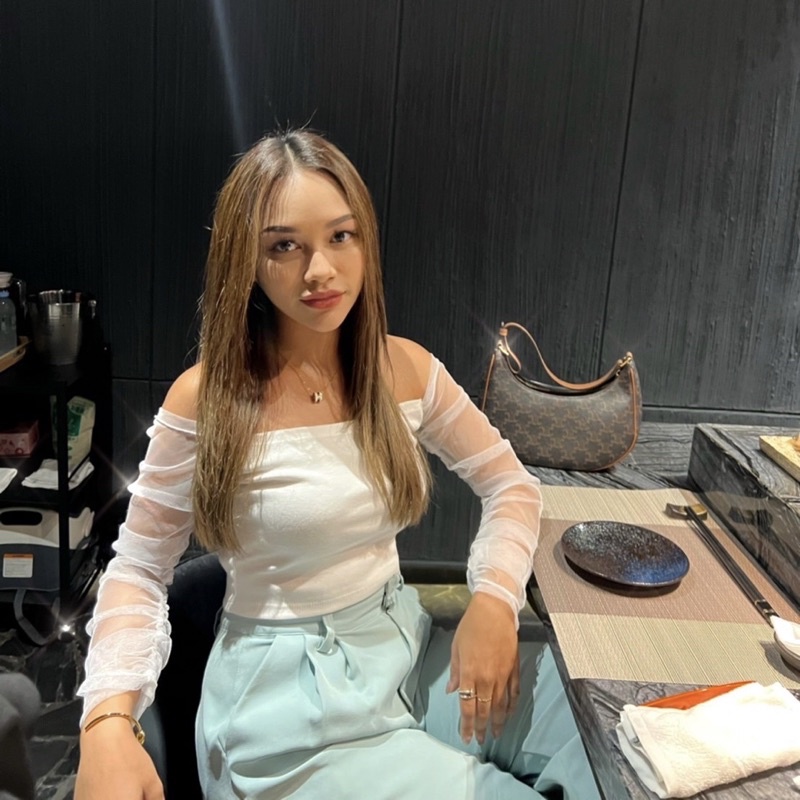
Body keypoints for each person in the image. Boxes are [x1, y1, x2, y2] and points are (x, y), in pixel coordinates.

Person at [74, 130, 599, 800]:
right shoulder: (207, 398)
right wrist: (106, 722)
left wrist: (494, 601)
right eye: (284, 246)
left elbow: (511, 486)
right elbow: (139, 569)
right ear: (247, 260)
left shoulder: (405, 369)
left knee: (605, 740)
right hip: (285, 713)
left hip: (404, 650)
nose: (320, 269)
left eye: (341, 236)